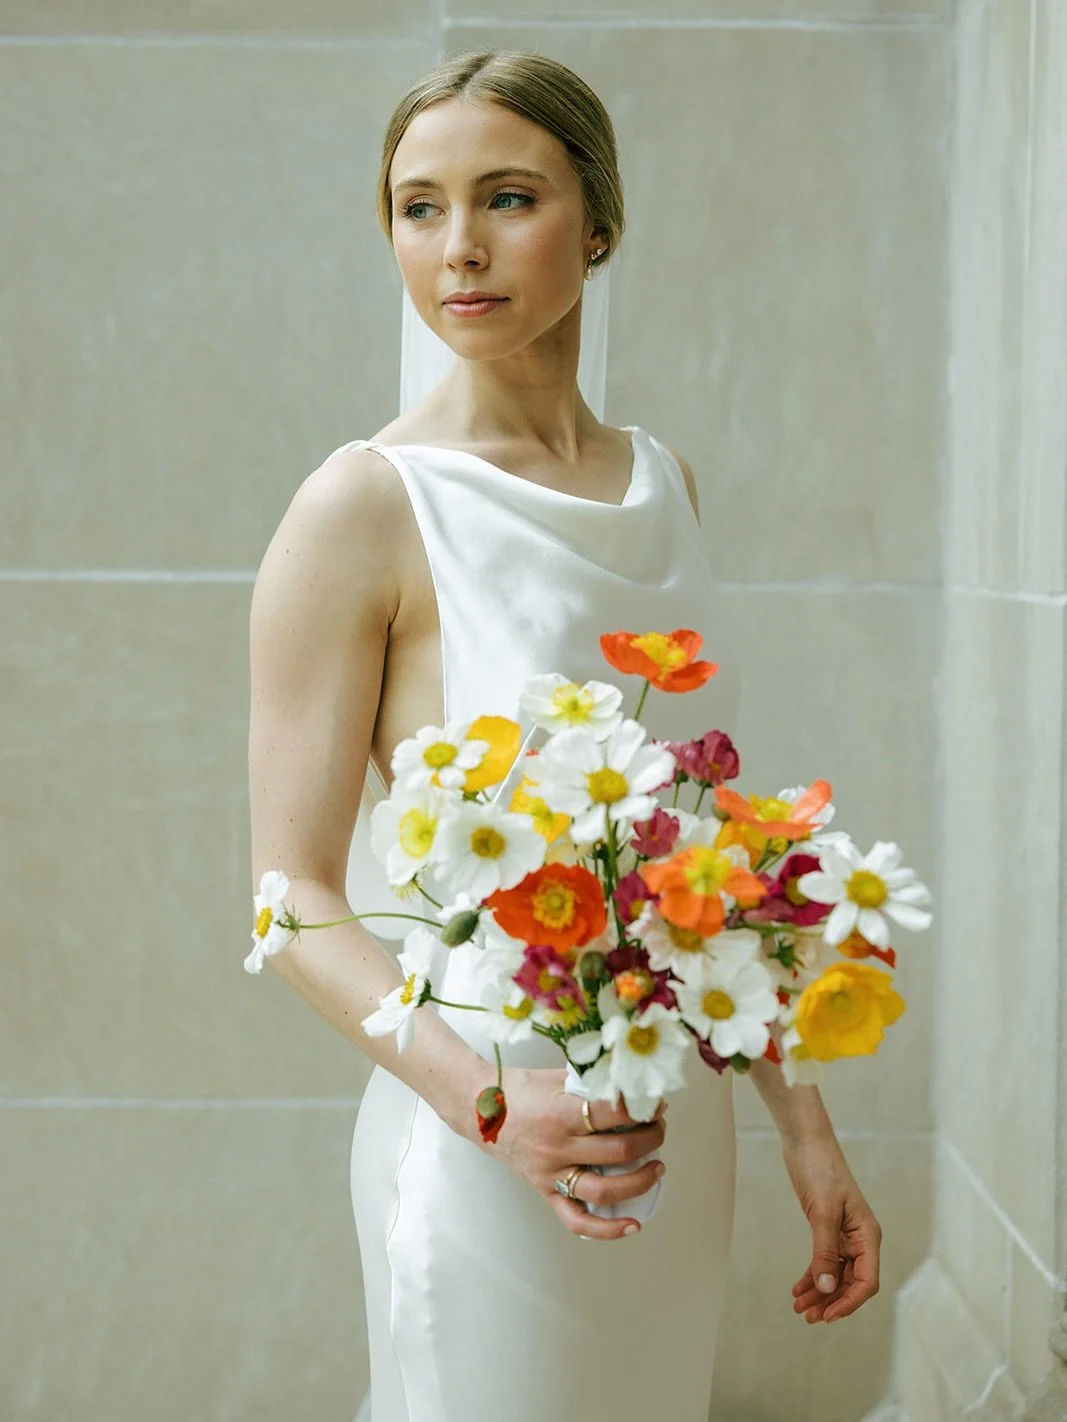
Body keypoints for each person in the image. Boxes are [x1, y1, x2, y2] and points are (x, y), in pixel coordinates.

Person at [247, 48, 883, 1422]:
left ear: (598, 223)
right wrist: (490, 1106)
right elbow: (289, 899)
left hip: (673, 1125)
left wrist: (805, 1127)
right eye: (419, 207)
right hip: (484, 1136)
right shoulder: (361, 506)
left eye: (507, 197)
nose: (458, 247)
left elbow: (711, 863)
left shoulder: (665, 483)